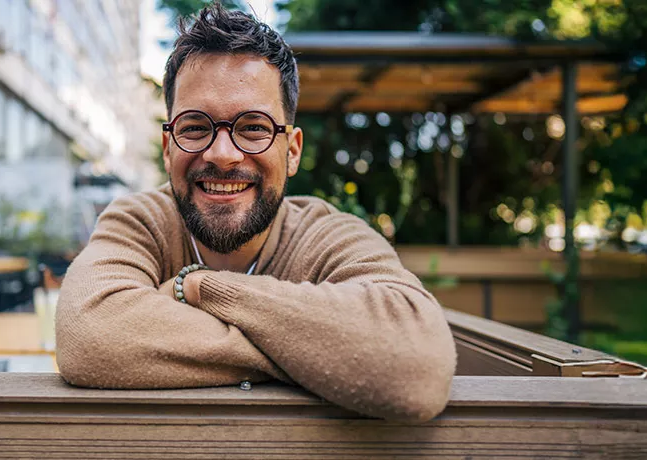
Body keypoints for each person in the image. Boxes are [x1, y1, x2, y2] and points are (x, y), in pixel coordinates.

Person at [54, 2, 457, 422]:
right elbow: (88, 336)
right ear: (168, 146)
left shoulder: (330, 237)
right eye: (194, 126)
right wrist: (311, 354)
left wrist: (196, 287)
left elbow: (414, 365)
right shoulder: (139, 221)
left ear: (292, 150)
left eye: (253, 128)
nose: (223, 154)